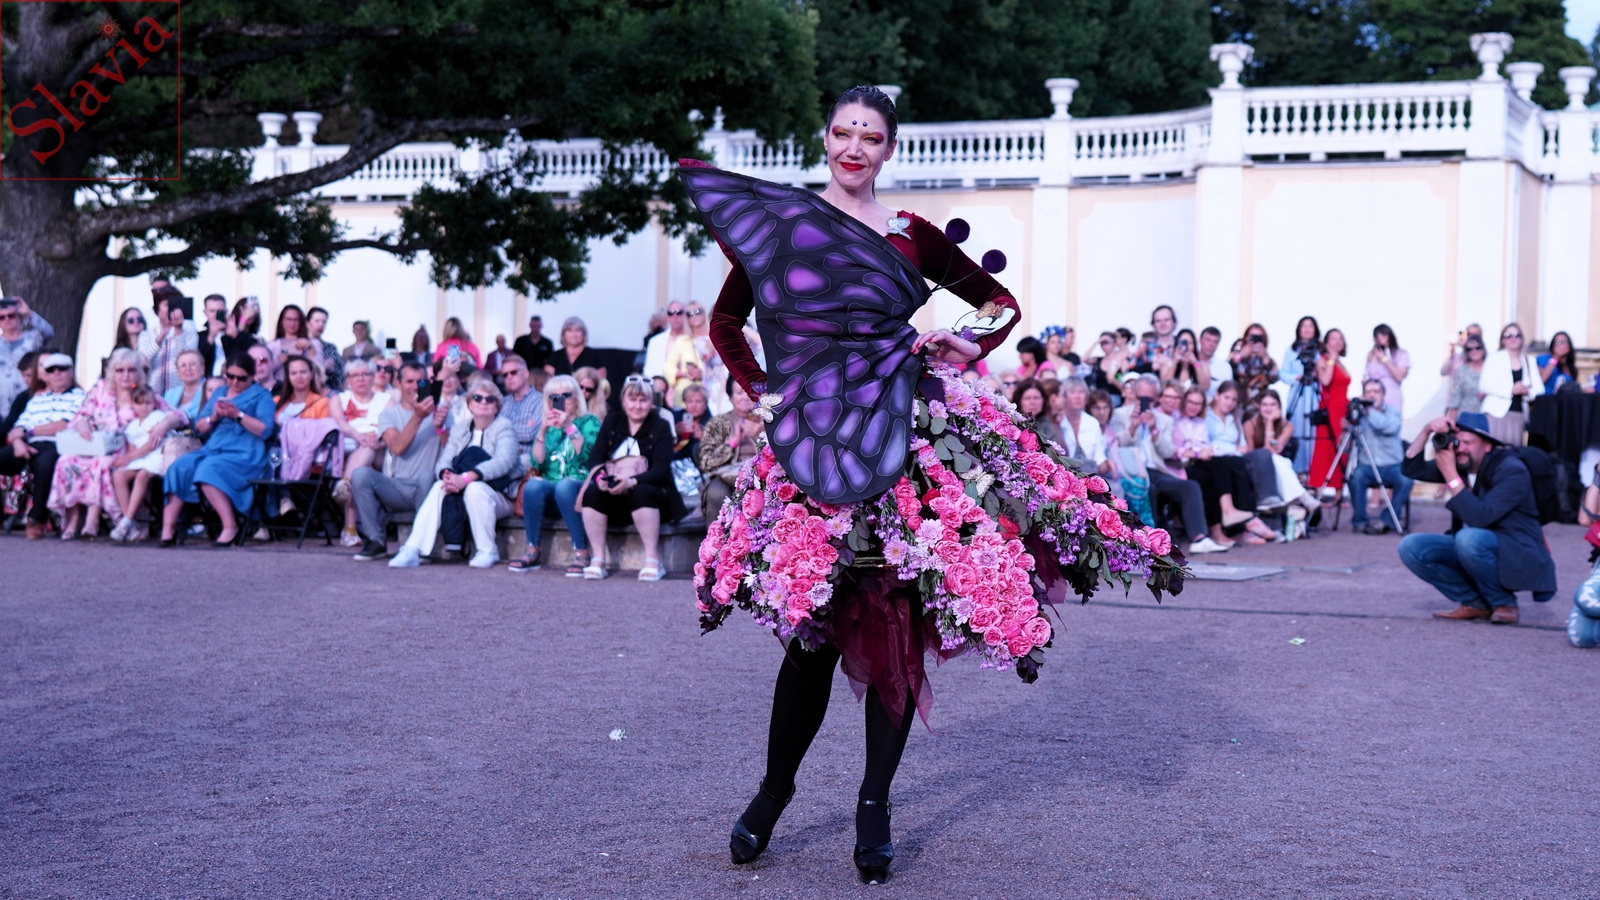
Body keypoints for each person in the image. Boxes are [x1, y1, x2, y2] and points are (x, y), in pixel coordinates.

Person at [686, 86, 1183, 886]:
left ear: (889, 149)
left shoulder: (910, 233)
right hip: (811, 443)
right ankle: (773, 793)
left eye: (870, 136)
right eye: (843, 132)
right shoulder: (784, 224)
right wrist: (762, 389)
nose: (854, 147)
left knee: (892, 627)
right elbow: (725, 322)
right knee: (811, 628)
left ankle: (873, 807)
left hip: (903, 438)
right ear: (825, 139)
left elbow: (999, 304)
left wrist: (963, 339)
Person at [1398, 412, 1556, 624]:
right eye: (1457, 442)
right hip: (1475, 543)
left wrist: (1450, 475)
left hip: (1515, 548)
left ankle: (1504, 603)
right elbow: (1410, 468)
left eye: (1468, 443)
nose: (1460, 449)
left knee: (1469, 538)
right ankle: (1475, 603)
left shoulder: (1511, 470)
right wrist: (1426, 431)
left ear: (1487, 446)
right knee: (1411, 546)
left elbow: (1480, 518)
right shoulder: (1461, 464)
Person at [50, 348, 184, 539]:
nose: (125, 375)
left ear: (139, 372)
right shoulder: (101, 388)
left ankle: (107, 520)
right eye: (120, 370)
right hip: (95, 444)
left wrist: (164, 424)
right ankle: (74, 518)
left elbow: (178, 416)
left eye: (131, 370)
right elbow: (82, 414)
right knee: (65, 461)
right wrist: (82, 423)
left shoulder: (144, 392)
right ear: (112, 371)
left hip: (126, 449)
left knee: (103, 464)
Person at [388, 378, 519, 569]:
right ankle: (412, 549)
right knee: (439, 486)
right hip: (461, 491)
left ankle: (487, 550)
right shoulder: (460, 428)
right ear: (470, 404)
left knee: (474, 488)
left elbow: (504, 462)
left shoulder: (504, 426)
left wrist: (465, 478)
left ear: (496, 407)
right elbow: (444, 460)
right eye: (477, 398)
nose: (483, 402)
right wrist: (447, 476)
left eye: (490, 399)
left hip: (500, 494)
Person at [159, 353, 276, 547]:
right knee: (179, 467)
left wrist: (237, 414)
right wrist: (214, 417)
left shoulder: (261, 395)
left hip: (245, 451)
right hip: (214, 447)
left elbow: (265, 430)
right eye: (230, 376)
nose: (235, 382)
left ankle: (230, 526)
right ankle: (168, 529)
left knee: (208, 469)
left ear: (252, 376)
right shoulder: (220, 391)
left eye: (241, 378)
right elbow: (200, 426)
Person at [578, 375, 684, 581]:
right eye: (632, 399)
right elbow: (595, 458)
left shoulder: (660, 425)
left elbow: (661, 469)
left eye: (643, 400)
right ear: (623, 400)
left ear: (651, 402)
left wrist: (632, 481)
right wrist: (601, 478)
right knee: (592, 492)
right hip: (616, 493)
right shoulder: (612, 421)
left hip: (654, 495)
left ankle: (653, 559)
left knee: (642, 492)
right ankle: (598, 558)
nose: (637, 405)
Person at [1111, 375, 1227, 554]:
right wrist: (1133, 426)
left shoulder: (1164, 420)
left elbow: (1167, 452)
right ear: (1134, 393)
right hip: (1130, 470)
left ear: (1156, 397)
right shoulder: (1119, 414)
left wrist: (1154, 429)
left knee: (1190, 487)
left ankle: (1199, 538)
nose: (1145, 403)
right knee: (1150, 490)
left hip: (1156, 470)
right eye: (1141, 397)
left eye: (1149, 399)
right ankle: (1148, 541)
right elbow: (1116, 444)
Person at [350, 362, 446, 562]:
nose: (415, 386)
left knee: (427, 477)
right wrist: (418, 416)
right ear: (398, 384)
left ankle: (420, 545)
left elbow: (452, 448)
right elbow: (397, 447)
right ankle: (375, 541)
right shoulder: (389, 414)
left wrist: (441, 427)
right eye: (409, 381)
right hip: (397, 487)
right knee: (360, 475)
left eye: (420, 381)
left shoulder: (440, 411)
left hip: (429, 487)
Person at [508, 374, 600, 573]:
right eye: (554, 397)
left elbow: (588, 456)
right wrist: (542, 431)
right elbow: (537, 463)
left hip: (581, 490)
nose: (561, 400)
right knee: (534, 484)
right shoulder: (549, 428)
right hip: (553, 493)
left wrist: (569, 427)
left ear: (577, 398)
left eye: (566, 395)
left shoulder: (589, 421)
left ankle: (581, 551)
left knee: (565, 485)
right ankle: (532, 549)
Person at [1176, 387, 1277, 545]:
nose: (1194, 406)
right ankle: (1237, 519)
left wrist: (1207, 450)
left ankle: (1240, 523)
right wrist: (1199, 452)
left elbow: (1209, 445)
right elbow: (1176, 449)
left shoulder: (1202, 422)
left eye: (1198, 403)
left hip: (1209, 459)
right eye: (1190, 402)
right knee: (1221, 466)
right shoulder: (1180, 419)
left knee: (1235, 465)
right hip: (1184, 465)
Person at [0, 353, 84, 539]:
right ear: (46, 375)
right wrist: (18, 442)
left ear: (71, 372)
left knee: (45, 465)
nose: (57, 373)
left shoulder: (80, 397)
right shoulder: (37, 399)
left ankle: (37, 520)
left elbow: (63, 425)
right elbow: (17, 427)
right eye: (51, 370)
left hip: (56, 445)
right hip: (26, 445)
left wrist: (28, 432)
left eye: (62, 369)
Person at [329, 359, 392, 546]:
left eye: (365, 374)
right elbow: (341, 423)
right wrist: (359, 436)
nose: (361, 378)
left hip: (380, 450)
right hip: (345, 450)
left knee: (368, 450)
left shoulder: (386, 399)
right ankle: (350, 529)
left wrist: (377, 441)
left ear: (373, 377)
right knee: (361, 470)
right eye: (355, 375)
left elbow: (392, 427)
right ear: (348, 379)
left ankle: (345, 485)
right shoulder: (338, 399)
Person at [1346, 378, 1411, 535]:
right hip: (1367, 466)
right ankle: (1360, 521)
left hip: (1393, 465)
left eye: (1376, 391)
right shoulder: (1359, 416)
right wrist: (1350, 418)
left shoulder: (1393, 412)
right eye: (1368, 391)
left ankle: (1387, 520)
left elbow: (1387, 427)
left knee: (1406, 479)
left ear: (1383, 395)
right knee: (1355, 476)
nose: (1372, 395)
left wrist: (1369, 411)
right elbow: (1347, 442)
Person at [106, 386, 169, 542]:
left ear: (154, 403)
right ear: (133, 405)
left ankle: (126, 521)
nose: (144, 407)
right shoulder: (132, 426)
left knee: (142, 475)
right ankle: (131, 522)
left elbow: (152, 444)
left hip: (159, 454)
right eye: (139, 403)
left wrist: (129, 457)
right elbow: (132, 448)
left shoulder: (158, 417)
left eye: (148, 403)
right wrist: (124, 459)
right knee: (119, 475)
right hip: (141, 457)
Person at [695, 377, 763, 520]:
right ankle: (716, 534)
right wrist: (733, 442)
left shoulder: (769, 420)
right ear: (730, 397)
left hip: (764, 473)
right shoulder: (718, 423)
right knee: (716, 492)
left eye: (749, 392)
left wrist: (762, 434)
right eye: (739, 393)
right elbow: (705, 462)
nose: (745, 397)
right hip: (729, 476)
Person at [1308, 328, 1350, 499]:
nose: (1337, 342)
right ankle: (1318, 490)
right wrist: (1331, 359)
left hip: (1343, 410)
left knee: (1341, 450)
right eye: (1333, 338)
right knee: (1325, 450)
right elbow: (1325, 381)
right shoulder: (1323, 360)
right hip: (1330, 410)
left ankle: (1339, 494)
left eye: (1340, 339)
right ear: (1326, 343)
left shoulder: (1340, 362)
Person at [0, 297, 55, 418]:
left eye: (11, 316)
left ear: (19, 317)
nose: (7, 320)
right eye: (2, 317)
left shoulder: (32, 338)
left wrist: (29, 313)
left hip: (28, 398)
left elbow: (49, 333)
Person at [1479, 323, 1534, 445]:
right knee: (1495, 450)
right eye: (1508, 335)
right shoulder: (1494, 358)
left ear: (1521, 339)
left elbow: (1538, 388)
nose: (1513, 338)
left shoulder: (1529, 360)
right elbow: (1484, 385)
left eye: (1516, 335)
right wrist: (1511, 390)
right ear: (1503, 340)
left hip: (1518, 413)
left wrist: (1526, 391)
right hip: (1496, 412)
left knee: (1514, 451)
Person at [145, 288, 198, 395]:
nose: (172, 309)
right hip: (152, 395)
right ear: (157, 309)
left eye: (176, 305)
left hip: (179, 394)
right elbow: (142, 361)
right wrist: (160, 337)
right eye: (167, 304)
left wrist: (178, 330)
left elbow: (186, 360)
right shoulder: (147, 335)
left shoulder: (190, 334)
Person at [496, 355, 544, 472]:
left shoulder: (541, 400)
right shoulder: (503, 402)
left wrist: (502, 430)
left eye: (513, 372)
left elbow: (531, 433)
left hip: (526, 457)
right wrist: (522, 428)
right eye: (505, 375)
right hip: (499, 454)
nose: (509, 377)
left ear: (526, 374)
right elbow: (492, 431)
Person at [1056, 376, 1108, 475]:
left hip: (1089, 475)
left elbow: (1099, 458)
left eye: (1081, 392)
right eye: (1072, 392)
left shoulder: (1093, 423)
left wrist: (1108, 464)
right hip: (1062, 474)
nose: (1077, 396)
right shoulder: (1058, 421)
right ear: (1064, 396)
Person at [644, 301, 695, 395]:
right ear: (667, 317)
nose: (675, 316)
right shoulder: (655, 341)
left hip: (689, 391)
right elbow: (649, 370)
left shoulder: (694, 339)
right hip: (662, 391)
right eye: (671, 313)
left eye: (679, 312)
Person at [1230, 323, 1278, 419]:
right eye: (1252, 336)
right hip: (1238, 405)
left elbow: (1274, 378)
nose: (1255, 340)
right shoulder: (1237, 353)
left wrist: (1265, 358)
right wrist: (1240, 356)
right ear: (1246, 337)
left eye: (1259, 337)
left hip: (1258, 407)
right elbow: (1227, 372)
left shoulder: (1266, 359)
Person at [1363, 324, 1410, 415]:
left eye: (1383, 336)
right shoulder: (1371, 355)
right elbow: (1366, 376)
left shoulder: (1400, 354)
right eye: (1377, 337)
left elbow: (1399, 376)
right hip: (1373, 398)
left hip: (1391, 397)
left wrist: (1384, 359)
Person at [267, 304, 323, 377]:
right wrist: (279, 361)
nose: (292, 323)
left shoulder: (313, 343)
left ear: (301, 322)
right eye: (289, 319)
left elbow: (320, 371)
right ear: (281, 321)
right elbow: (263, 373)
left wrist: (311, 349)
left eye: (296, 320)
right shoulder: (272, 346)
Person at [273, 355, 332, 423]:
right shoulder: (276, 401)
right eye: (294, 373)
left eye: (303, 372)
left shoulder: (323, 403)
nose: (299, 376)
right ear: (288, 377)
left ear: (311, 374)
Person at [546, 316, 607, 380]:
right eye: (570, 330)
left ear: (584, 334)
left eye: (578, 330)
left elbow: (601, 381)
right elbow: (548, 381)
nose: (574, 334)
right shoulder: (555, 356)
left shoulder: (594, 355)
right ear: (563, 335)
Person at [1444, 335, 1486, 420]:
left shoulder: (1491, 368)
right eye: (1469, 349)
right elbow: (1455, 398)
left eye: (1477, 348)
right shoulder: (1462, 370)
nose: (1474, 351)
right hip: (1466, 417)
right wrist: (1450, 421)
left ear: (1483, 349)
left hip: (1488, 417)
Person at [1012, 377, 1061, 447]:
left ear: (1043, 400)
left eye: (1036, 398)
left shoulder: (1048, 427)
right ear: (1019, 401)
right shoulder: (1011, 425)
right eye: (1027, 398)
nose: (1032, 402)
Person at [306, 307, 345, 391]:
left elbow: (342, 373)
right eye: (317, 321)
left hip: (330, 391)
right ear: (307, 323)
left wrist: (333, 370)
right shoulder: (301, 346)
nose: (321, 325)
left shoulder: (330, 347)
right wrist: (323, 367)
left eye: (324, 322)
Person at [675, 383, 713, 462]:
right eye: (689, 401)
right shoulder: (676, 417)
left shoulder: (713, 423)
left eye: (698, 401)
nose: (694, 405)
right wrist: (675, 432)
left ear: (706, 403)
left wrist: (703, 438)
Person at [1197, 326, 1231, 397]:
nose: (1211, 345)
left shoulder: (1224, 367)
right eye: (1208, 340)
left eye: (1215, 342)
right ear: (1200, 340)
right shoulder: (1190, 361)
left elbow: (1228, 393)